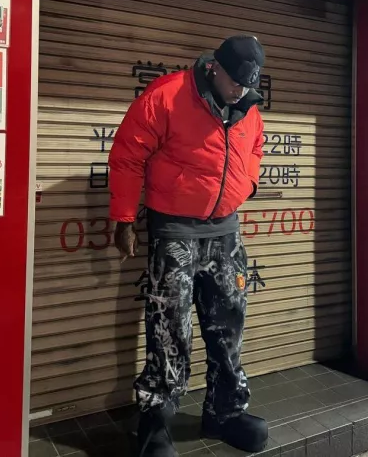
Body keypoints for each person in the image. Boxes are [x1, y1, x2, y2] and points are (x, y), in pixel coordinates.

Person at [109, 36, 268, 457]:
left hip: (225, 232)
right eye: (235, 82)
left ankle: (225, 413)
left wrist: (246, 184)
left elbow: (254, 148)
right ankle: (156, 424)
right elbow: (127, 155)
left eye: (247, 84)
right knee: (170, 328)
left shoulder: (249, 105)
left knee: (229, 324)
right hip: (176, 231)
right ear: (215, 67)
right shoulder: (168, 95)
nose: (240, 90)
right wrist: (124, 218)